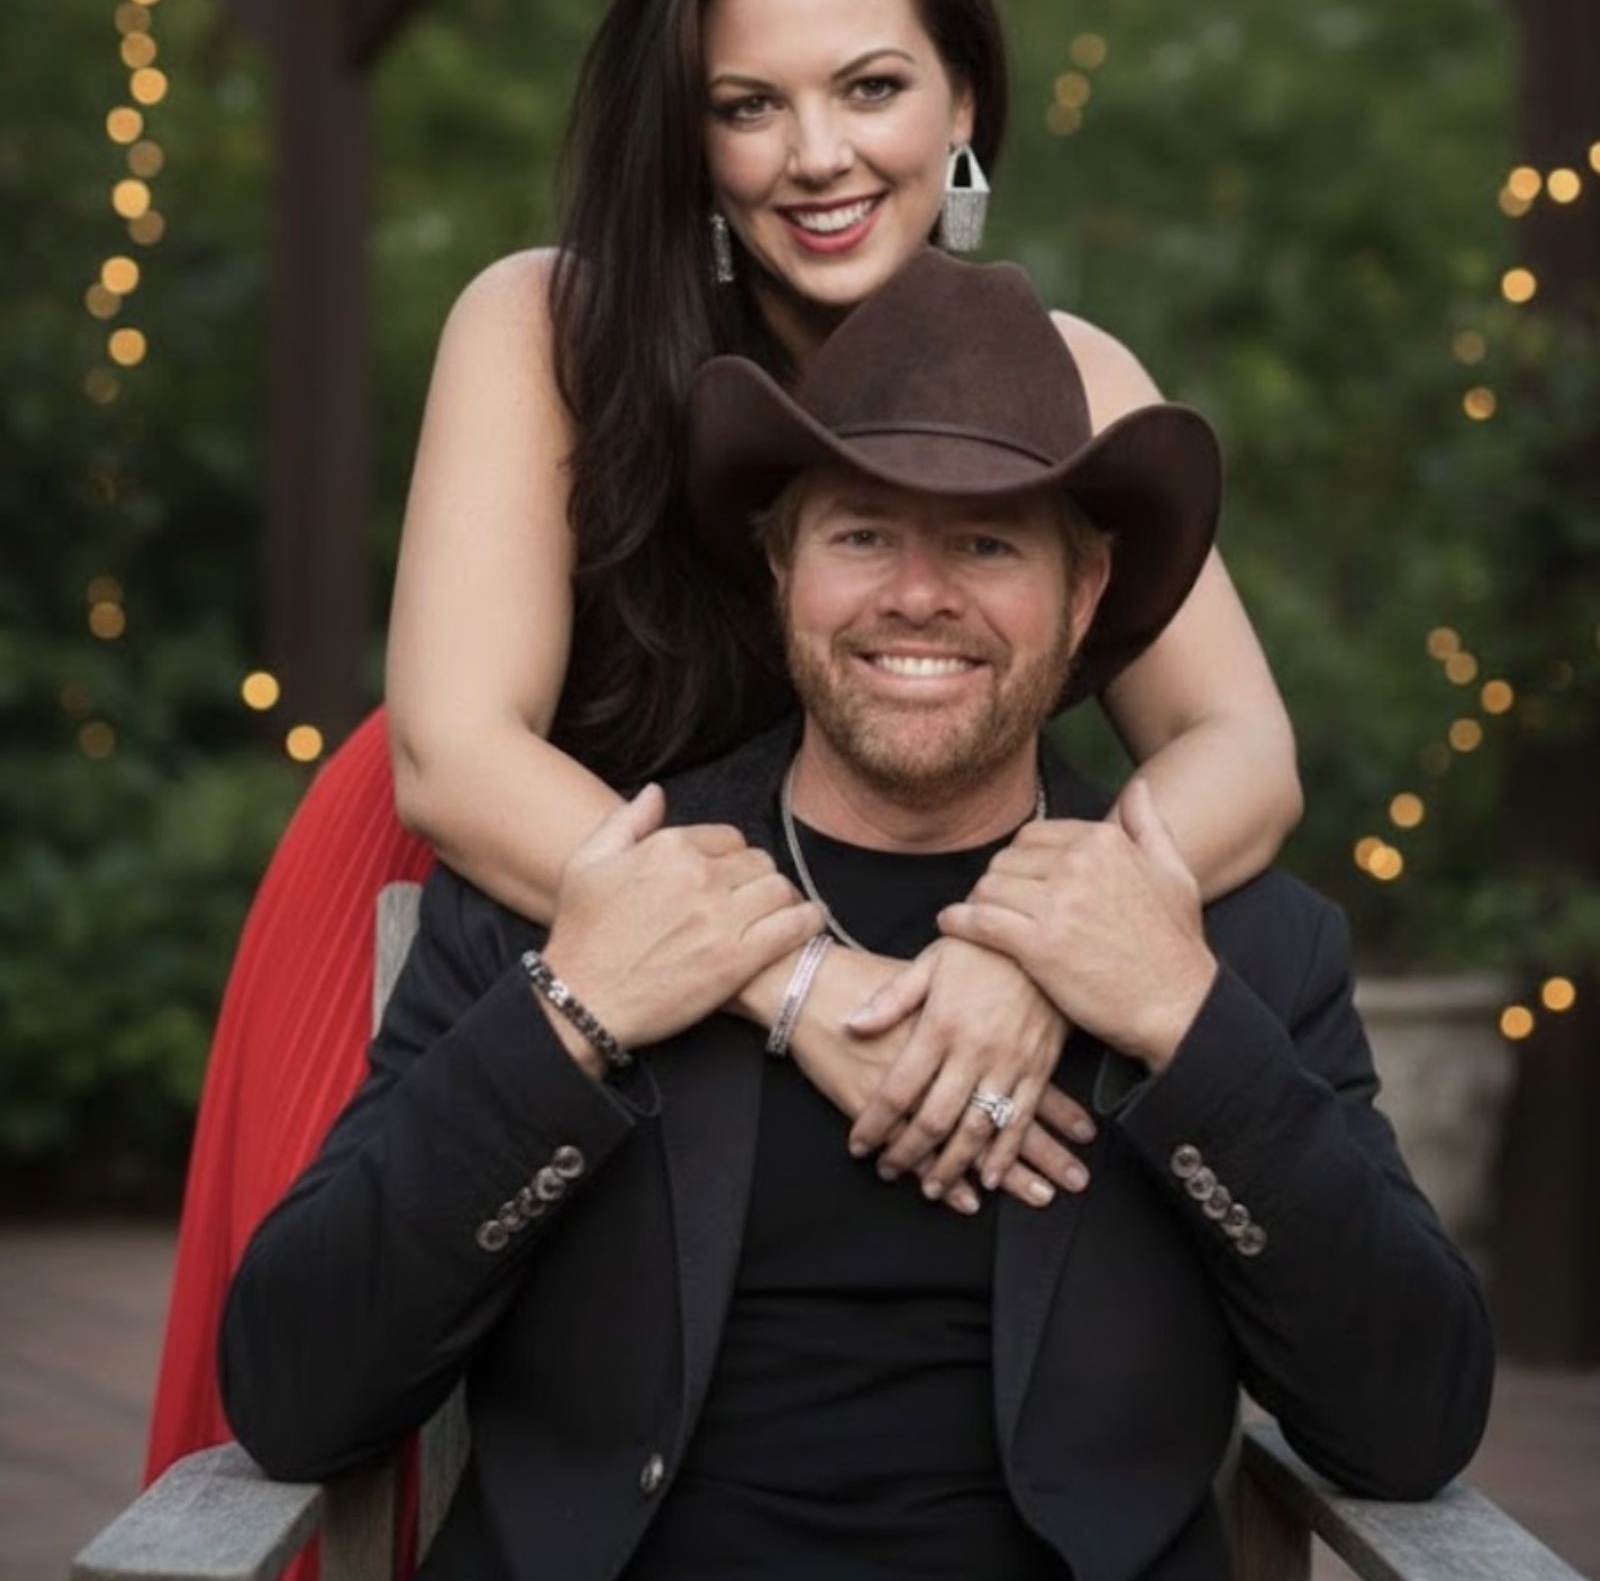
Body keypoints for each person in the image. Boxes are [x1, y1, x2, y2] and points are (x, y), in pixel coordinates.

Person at [149, 0, 1304, 1489]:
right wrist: (803, 983)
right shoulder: (545, 325)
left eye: (871, 86)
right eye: (749, 105)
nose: (815, 155)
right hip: (499, 918)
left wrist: (1043, 946)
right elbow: (455, 753)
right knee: (353, 1451)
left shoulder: (1071, 376)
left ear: (966, 101)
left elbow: (1244, 748)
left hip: (829, 968)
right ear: (689, 137)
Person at [220, 252, 1491, 1581]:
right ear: (781, 568)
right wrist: (572, 1016)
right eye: (862, 535)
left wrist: (1184, 1020)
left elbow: (1409, 1426)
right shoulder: (584, 900)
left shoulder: (1235, 944)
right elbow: (296, 1390)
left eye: (988, 542)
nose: (918, 594)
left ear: (1086, 594)